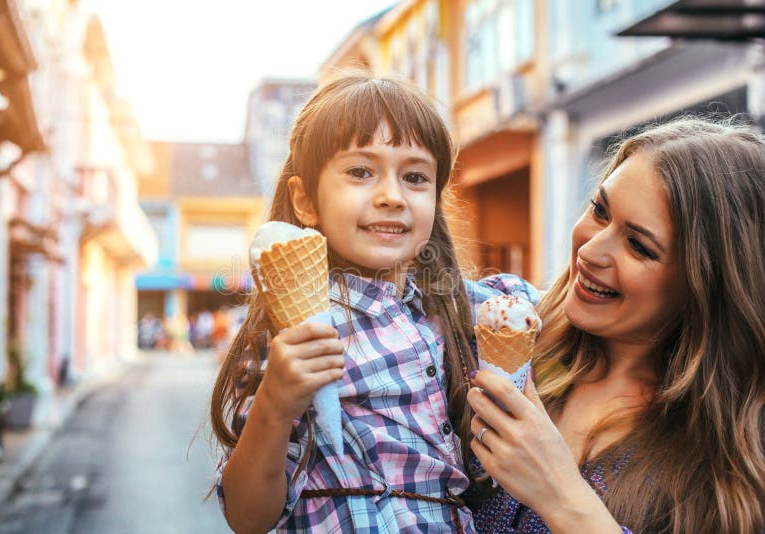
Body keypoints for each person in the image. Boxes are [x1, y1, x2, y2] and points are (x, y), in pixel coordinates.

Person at [209, 73, 537, 533]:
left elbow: (558, 305)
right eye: (360, 171)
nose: (391, 196)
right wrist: (275, 406)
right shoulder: (289, 334)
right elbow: (247, 517)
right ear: (304, 200)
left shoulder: (469, 312)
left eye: (416, 177)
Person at [466, 117, 765, 533]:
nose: (590, 250)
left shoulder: (731, 466)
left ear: (705, 287)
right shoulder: (508, 333)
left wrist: (563, 498)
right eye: (600, 211)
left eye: (639, 245)